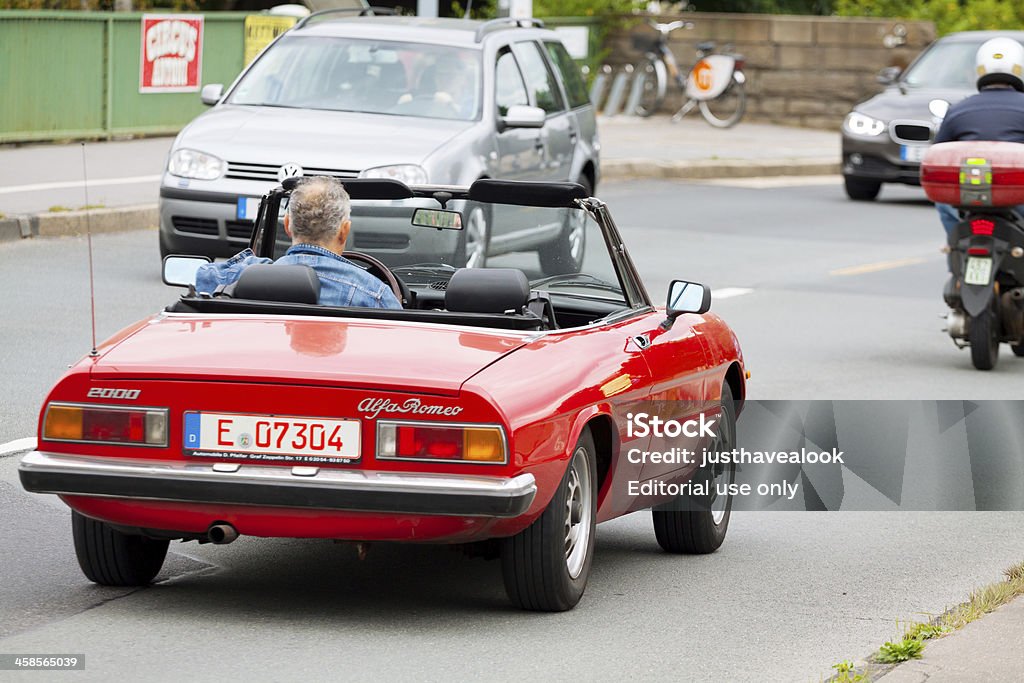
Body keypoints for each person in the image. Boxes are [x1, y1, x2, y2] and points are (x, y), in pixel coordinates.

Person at [194, 176, 402, 309]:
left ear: (287, 224)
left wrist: (251, 265)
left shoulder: (244, 277)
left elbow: (203, 279)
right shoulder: (375, 295)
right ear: (344, 230)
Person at [933, 37, 1024, 236]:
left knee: (944, 206)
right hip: (1017, 197)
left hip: (970, 195)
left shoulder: (958, 109)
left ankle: (954, 251)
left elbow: (937, 152)